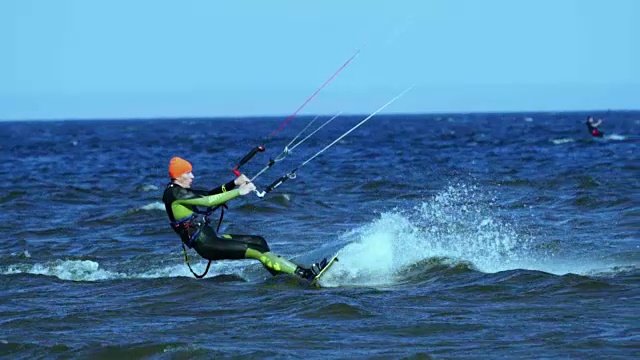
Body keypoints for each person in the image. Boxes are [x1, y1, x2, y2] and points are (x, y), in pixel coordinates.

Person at [162, 156, 326, 280]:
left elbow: (209, 193)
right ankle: (306, 275)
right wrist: (239, 192)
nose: (192, 176)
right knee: (257, 252)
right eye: (188, 173)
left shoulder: (179, 190)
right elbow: (207, 202)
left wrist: (234, 183)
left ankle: (281, 276)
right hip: (207, 243)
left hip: (211, 237)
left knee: (258, 241)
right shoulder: (174, 193)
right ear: (178, 176)